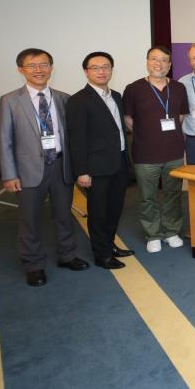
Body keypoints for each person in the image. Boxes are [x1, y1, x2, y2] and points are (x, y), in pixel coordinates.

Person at [0, 48, 88, 286]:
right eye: (32, 66)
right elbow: (4, 140)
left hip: (60, 165)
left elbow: (73, 138)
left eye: (44, 65)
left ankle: (67, 256)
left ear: (51, 68)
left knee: (64, 215)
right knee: (30, 219)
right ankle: (33, 265)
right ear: (21, 69)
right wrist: (9, 173)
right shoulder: (9, 101)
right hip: (27, 171)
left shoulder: (64, 98)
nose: (39, 70)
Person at [66, 52, 133, 270]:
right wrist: (82, 171)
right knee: (98, 213)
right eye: (95, 67)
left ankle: (110, 245)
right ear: (86, 71)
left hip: (119, 163)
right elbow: (76, 139)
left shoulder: (116, 95)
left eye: (106, 67)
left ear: (112, 70)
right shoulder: (78, 100)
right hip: (96, 168)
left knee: (114, 209)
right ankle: (101, 255)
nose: (101, 71)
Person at [122, 46, 189, 253]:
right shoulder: (133, 89)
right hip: (145, 154)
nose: (158, 64)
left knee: (173, 195)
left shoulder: (178, 88)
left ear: (169, 65)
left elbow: (180, 117)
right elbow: (128, 121)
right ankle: (153, 234)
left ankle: (171, 231)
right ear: (147, 62)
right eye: (154, 59)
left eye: (164, 60)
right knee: (147, 197)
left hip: (174, 153)